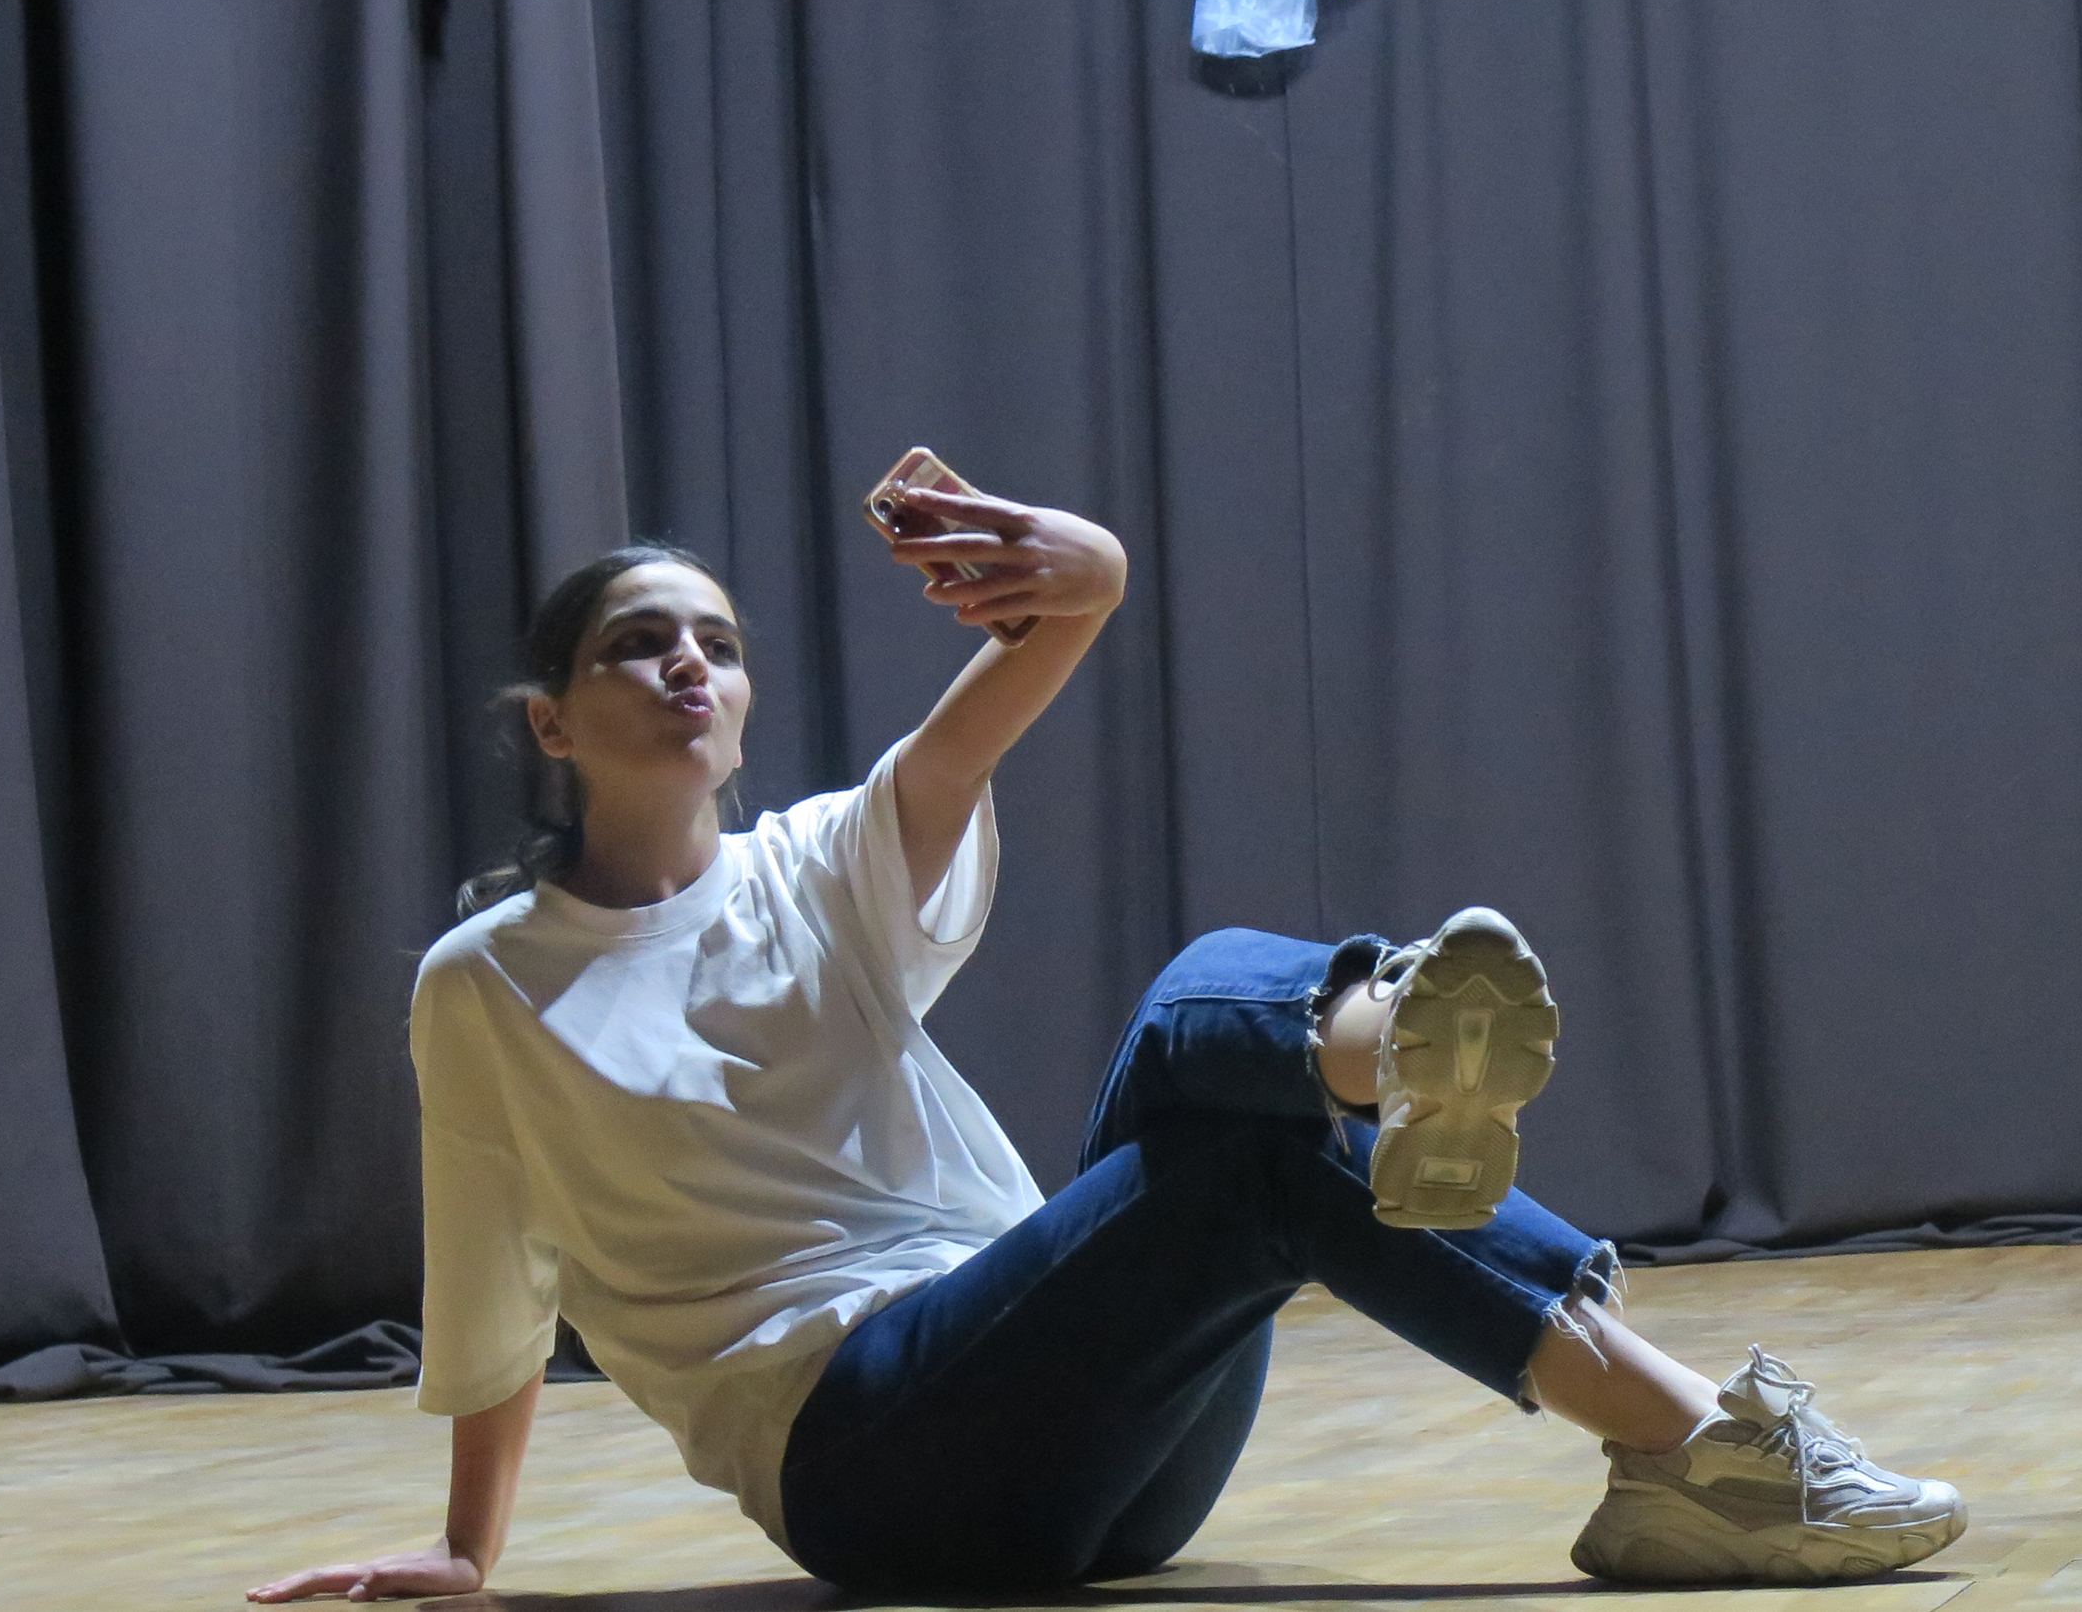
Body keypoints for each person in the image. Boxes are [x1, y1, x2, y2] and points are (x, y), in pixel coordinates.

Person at [250, 461, 1966, 1599]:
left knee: (1201, 1013)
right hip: (874, 1461)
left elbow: (988, 708)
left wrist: (1095, 573)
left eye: (718, 642)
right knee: (1249, 1151)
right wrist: (466, 1550)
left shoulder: (817, 865)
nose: (692, 666)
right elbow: (491, 1274)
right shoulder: (485, 983)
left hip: (1103, 1437)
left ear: (749, 695)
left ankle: (1387, 1052)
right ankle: (1679, 1426)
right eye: (643, 646)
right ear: (554, 721)